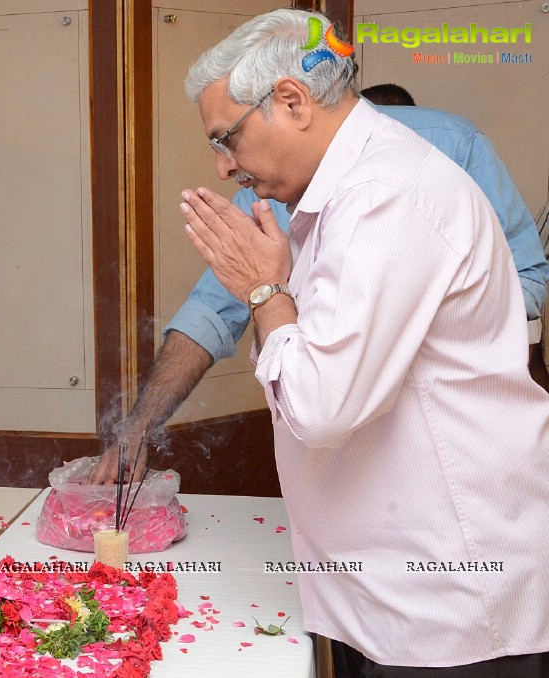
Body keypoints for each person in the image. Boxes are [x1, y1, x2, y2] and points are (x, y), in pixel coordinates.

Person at [147, 8, 549, 674]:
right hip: (402, 575)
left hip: (443, 591)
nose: (222, 167)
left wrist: (265, 296)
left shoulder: (381, 196)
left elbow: (321, 406)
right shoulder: (341, 193)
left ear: (291, 101)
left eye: (226, 139)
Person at [91, 86, 548, 485]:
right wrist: (138, 427)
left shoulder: (448, 146)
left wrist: (392, 323)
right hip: (342, 486)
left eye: (229, 139)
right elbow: (210, 312)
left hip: (451, 465)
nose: (224, 169)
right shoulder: (268, 184)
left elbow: (527, 279)